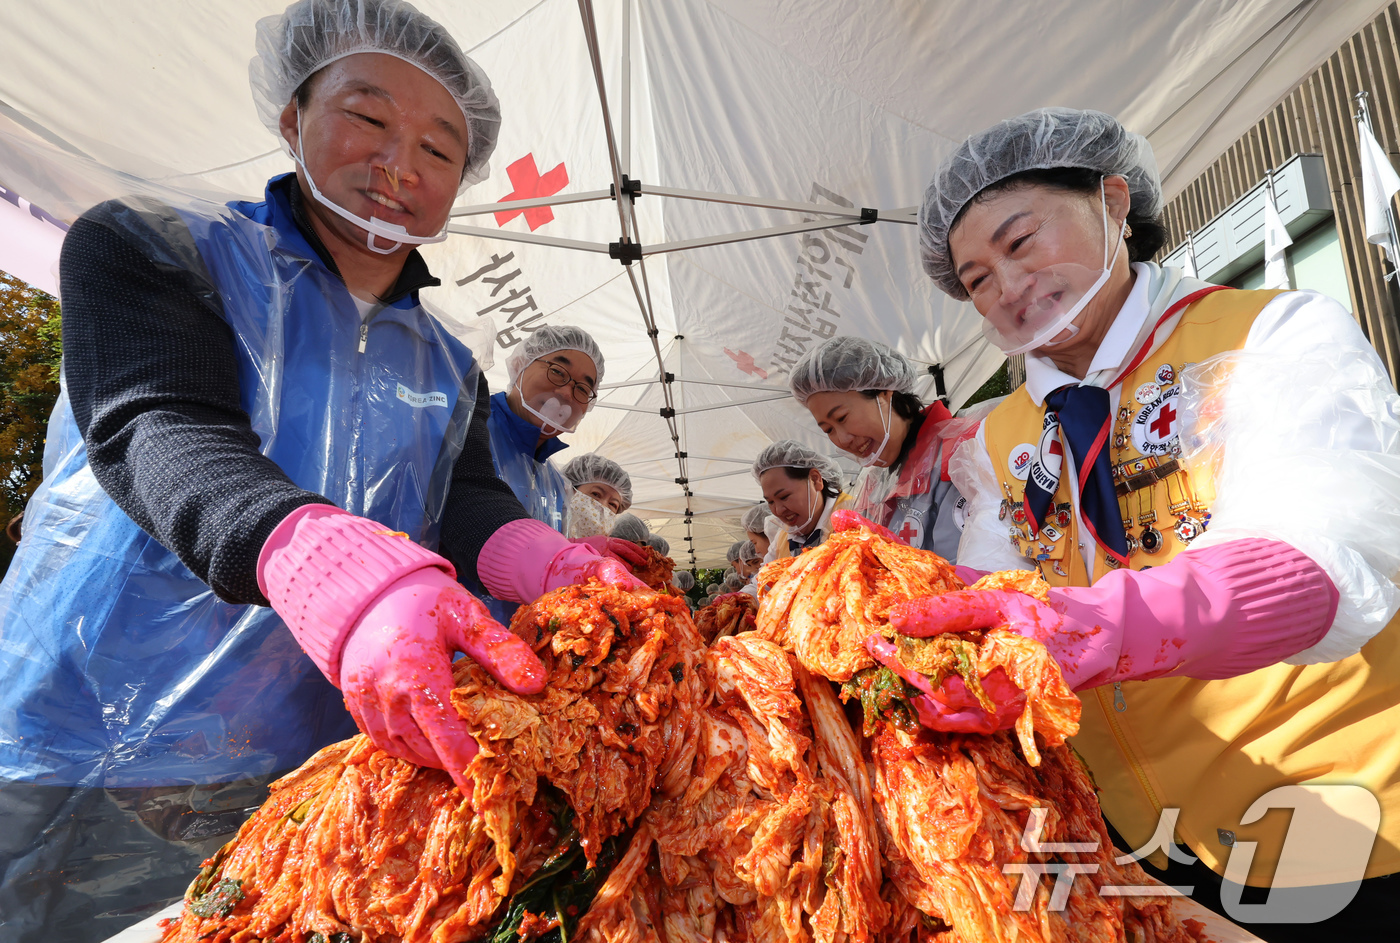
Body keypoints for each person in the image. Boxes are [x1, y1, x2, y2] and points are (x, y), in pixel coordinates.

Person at [0, 2, 640, 938]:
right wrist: (320, 557)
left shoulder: (447, 363)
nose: (400, 164)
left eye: (439, 148)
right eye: (369, 118)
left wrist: (542, 559)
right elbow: (158, 424)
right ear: (294, 116)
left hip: (313, 751)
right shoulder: (156, 245)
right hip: (96, 740)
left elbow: (462, 498)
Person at [893, 106, 1400, 940]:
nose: (1007, 286)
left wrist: (1093, 626)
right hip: (1154, 849)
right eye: (977, 278)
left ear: (1113, 200)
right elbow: (993, 600)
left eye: (1020, 243)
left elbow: (1323, 557)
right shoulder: (998, 442)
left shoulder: (1268, 336)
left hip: (1343, 819)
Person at [789, 336, 971, 561]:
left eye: (842, 417)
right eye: (828, 430)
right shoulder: (873, 483)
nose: (842, 439)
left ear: (883, 392)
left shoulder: (959, 451)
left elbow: (968, 575)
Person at [487, 324, 604, 535]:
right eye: (558, 372)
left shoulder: (557, 485)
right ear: (519, 364)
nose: (567, 394)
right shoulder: (466, 425)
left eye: (583, 389)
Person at [751, 440, 851, 562]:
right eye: (770, 502)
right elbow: (763, 577)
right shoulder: (783, 539)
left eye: (784, 496)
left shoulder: (856, 514)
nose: (778, 510)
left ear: (815, 480)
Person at [560, 452, 632, 539]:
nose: (603, 505)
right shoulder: (544, 532)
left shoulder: (601, 551)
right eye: (596, 494)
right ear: (570, 490)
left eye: (613, 504)